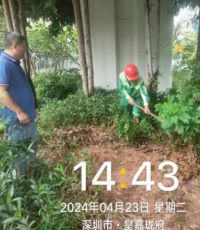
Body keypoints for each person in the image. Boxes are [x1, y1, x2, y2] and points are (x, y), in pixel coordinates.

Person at [0, 31, 38, 175]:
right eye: (23, 47)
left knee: (32, 149)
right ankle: (18, 187)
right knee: (19, 157)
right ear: (15, 46)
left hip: (27, 118)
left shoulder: (14, 63)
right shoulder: (4, 64)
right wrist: (19, 111)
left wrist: (31, 109)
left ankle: (30, 179)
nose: (24, 50)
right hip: (17, 121)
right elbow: (1, 91)